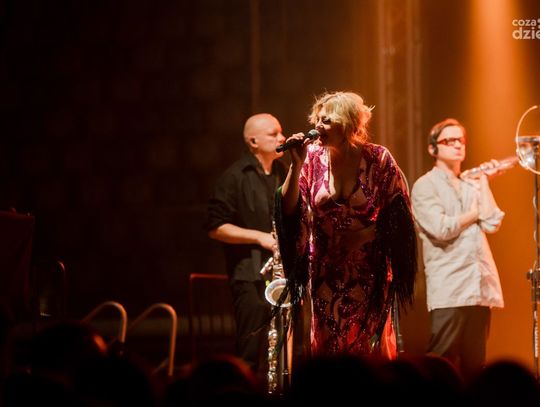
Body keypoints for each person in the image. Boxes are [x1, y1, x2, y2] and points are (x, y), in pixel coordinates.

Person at [275, 91, 417, 360]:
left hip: (368, 272)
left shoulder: (378, 159)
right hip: (325, 272)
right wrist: (296, 164)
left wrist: (363, 235)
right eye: (317, 120)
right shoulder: (313, 158)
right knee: (328, 349)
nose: (318, 126)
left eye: (327, 121)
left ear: (349, 123)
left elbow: (401, 220)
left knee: (365, 351)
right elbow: (289, 209)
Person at [410, 118, 505, 382]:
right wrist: (474, 213)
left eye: (460, 140)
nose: (457, 145)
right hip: (451, 288)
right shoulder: (425, 186)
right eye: (449, 140)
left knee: (476, 366)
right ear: (433, 148)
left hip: (479, 286)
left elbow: (492, 222)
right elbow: (441, 228)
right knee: (441, 364)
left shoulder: (470, 184)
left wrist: (483, 180)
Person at [206, 113, 287, 378]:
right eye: (273, 134)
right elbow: (216, 227)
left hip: (283, 272)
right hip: (250, 274)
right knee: (251, 349)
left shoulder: (283, 173)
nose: (282, 138)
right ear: (253, 141)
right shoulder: (234, 177)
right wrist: (259, 237)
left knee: (287, 347)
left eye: (281, 132)